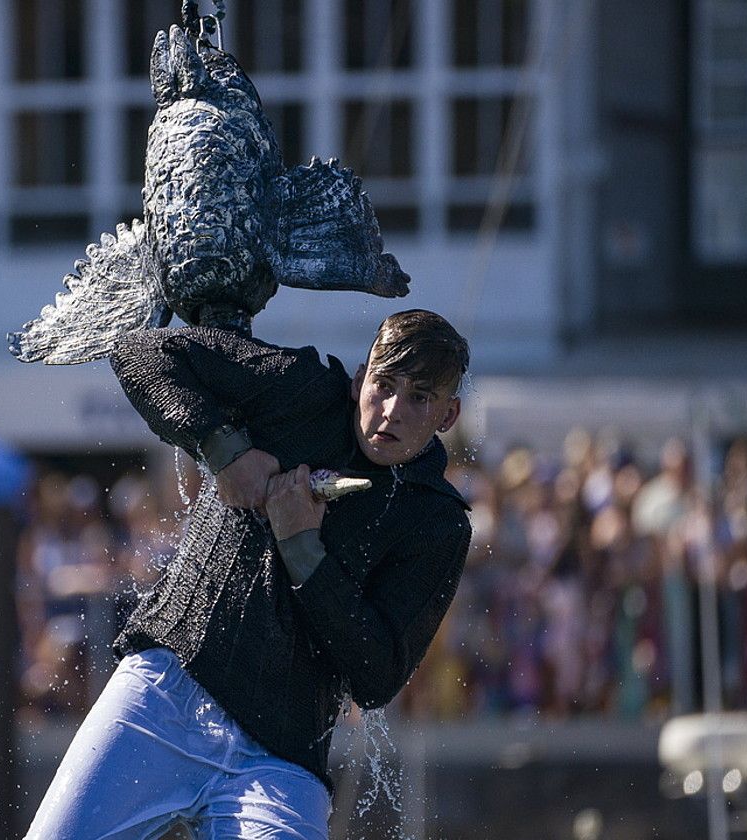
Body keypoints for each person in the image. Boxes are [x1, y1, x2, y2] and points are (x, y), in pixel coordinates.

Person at [25, 309, 473, 839]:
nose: (392, 411)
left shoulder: (437, 522)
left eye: (420, 397)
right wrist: (225, 451)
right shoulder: (300, 389)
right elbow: (141, 351)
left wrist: (302, 547)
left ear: (448, 415)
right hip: (167, 690)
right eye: (384, 384)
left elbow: (377, 677)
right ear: (359, 379)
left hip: (281, 761)